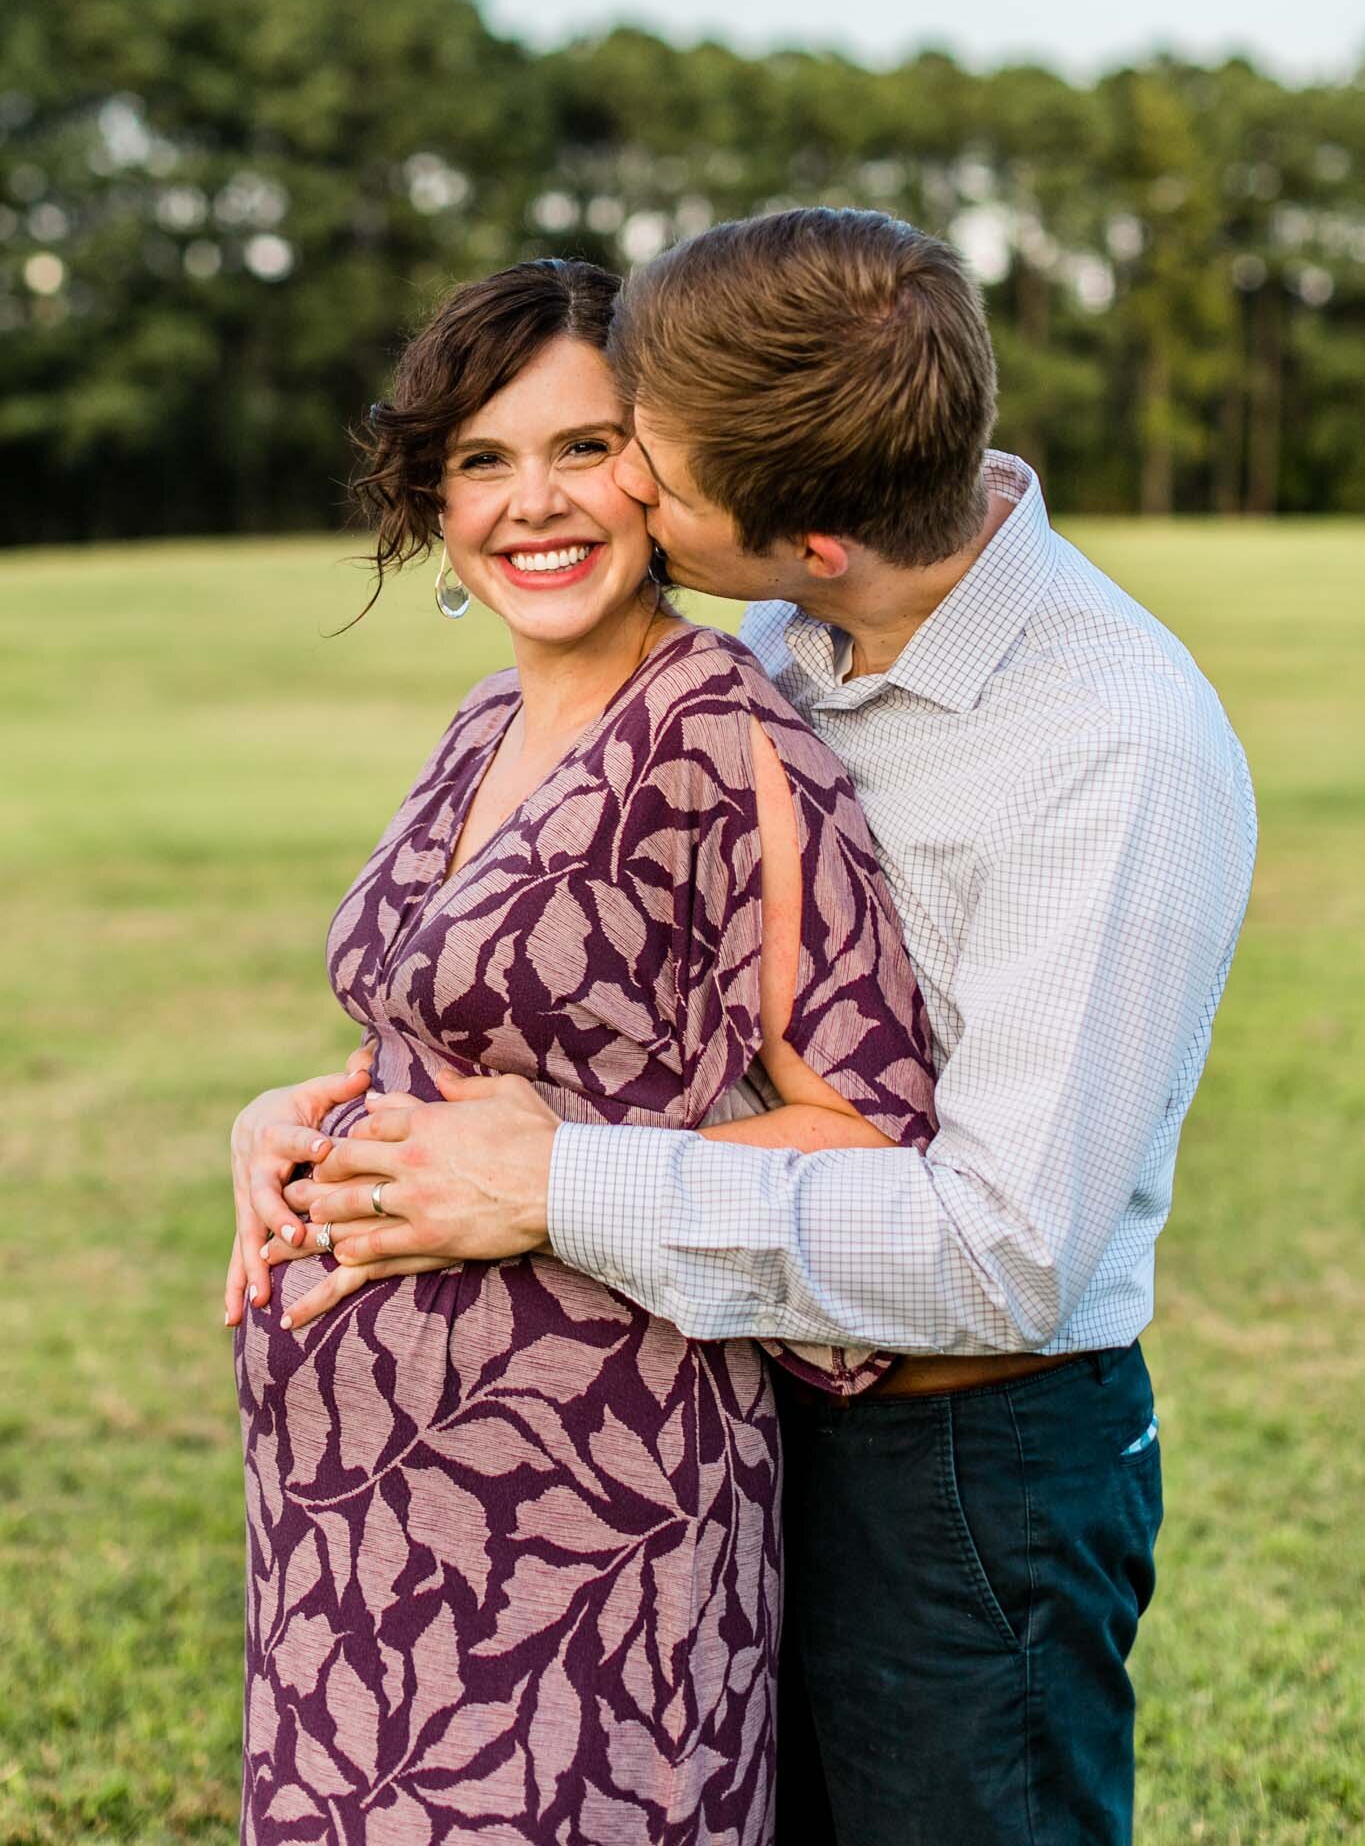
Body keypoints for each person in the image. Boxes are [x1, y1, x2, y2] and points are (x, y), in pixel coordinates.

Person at [239, 210, 1258, 1846]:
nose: (613, 488)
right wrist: (337, 1123)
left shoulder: (1110, 748)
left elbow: (1010, 1254)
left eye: (636, 453)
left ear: (813, 538)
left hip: (955, 1459)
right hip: (720, 1387)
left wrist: (558, 1184)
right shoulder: (787, 635)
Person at [228, 254, 937, 1844]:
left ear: (666, 471)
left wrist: (557, 1188)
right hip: (347, 1529)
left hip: (584, 1516)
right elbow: (430, 1041)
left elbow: (873, 1130)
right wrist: (286, 1123)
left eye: (582, 446)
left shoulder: (729, 741)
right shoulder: (482, 720)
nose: (530, 504)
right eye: (482, 459)